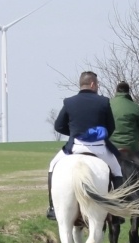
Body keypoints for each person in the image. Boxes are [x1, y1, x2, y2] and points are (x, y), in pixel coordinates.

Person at [48, 71, 121, 219]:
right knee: (117, 170)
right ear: (93, 84)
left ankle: (52, 207)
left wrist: (75, 132)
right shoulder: (104, 101)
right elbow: (111, 127)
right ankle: (116, 209)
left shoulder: (69, 102)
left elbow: (58, 126)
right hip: (100, 148)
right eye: (98, 84)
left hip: (76, 146)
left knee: (52, 166)